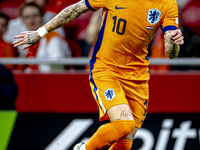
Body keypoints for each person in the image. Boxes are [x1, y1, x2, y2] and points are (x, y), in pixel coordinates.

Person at [13, 0, 184, 149]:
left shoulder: (167, 3)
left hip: (137, 75)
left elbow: (170, 52)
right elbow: (75, 9)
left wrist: (175, 41)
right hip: (106, 68)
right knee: (124, 125)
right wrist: (40, 33)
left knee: (126, 141)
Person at [18, 2, 71, 72]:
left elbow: (57, 68)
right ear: (22, 21)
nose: (31, 19)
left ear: (42, 16)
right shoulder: (25, 39)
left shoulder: (53, 38)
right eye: (27, 17)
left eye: (35, 15)